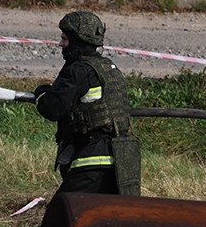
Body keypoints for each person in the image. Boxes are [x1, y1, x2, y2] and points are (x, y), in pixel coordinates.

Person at [33, 11, 139, 196]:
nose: (61, 44)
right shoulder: (108, 68)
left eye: (65, 39)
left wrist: (41, 94)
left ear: (77, 41)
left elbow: (53, 108)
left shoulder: (77, 71)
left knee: (63, 217)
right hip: (121, 163)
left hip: (92, 163)